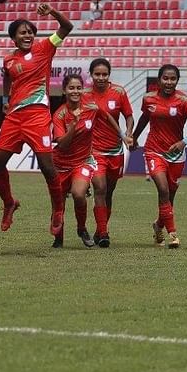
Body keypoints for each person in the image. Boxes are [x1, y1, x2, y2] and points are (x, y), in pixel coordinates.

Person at [0, 3, 73, 236]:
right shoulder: (8, 59)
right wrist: (6, 99)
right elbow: (7, 78)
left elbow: (67, 26)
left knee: (47, 166)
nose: (28, 35)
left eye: (30, 32)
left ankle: (58, 210)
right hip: (14, 116)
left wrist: (53, 13)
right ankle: (9, 203)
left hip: (37, 115)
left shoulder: (45, 48)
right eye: (22, 32)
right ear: (14, 38)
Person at [52, 73, 130, 249]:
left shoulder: (91, 108)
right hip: (61, 164)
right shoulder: (59, 115)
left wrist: (122, 135)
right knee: (58, 203)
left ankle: (82, 229)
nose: (75, 91)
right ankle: (58, 238)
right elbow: (62, 144)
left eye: (79, 87)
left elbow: (108, 117)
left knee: (79, 194)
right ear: (64, 90)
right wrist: (73, 126)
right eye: (71, 88)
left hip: (83, 161)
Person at [131, 64, 187, 249]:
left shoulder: (184, 101)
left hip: (177, 154)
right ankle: (173, 235)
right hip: (154, 151)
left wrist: (183, 142)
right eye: (165, 78)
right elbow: (145, 118)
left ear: (177, 81)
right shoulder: (148, 99)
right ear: (159, 80)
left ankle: (158, 226)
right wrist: (135, 138)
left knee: (169, 197)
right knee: (163, 190)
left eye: (173, 79)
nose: (169, 82)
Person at [86, 58, 134, 248]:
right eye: (97, 74)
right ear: (91, 75)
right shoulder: (84, 95)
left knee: (109, 192)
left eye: (104, 74)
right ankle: (104, 233)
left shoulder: (119, 92)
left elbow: (129, 116)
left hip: (115, 151)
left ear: (109, 75)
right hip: (94, 151)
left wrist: (129, 134)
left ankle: (100, 229)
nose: (101, 78)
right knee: (100, 188)